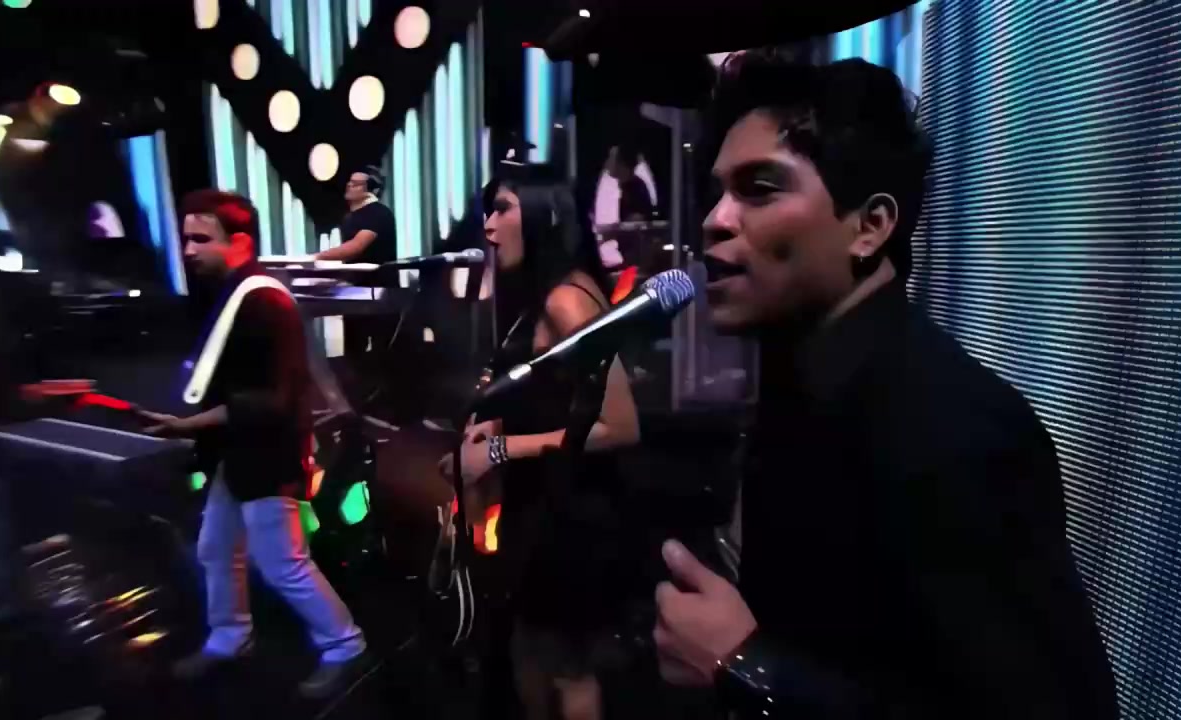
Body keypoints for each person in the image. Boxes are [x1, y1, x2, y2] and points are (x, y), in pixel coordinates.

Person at [652, 55, 1120, 718]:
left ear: (870, 226)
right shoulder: (804, 390)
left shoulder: (951, 429)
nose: (716, 219)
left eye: (759, 189)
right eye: (718, 191)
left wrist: (748, 666)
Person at [141, 190, 366, 697]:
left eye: (202, 239)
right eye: (186, 239)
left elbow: (271, 401)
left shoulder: (264, 301)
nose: (189, 250)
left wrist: (190, 424)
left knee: (282, 562)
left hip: (267, 455)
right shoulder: (239, 294)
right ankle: (230, 636)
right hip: (239, 452)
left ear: (240, 242)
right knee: (216, 549)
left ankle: (344, 645)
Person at [440, 173, 641, 720]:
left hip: (571, 516)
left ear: (543, 215)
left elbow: (619, 425)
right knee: (532, 654)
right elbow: (552, 403)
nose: (488, 226)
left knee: (565, 669)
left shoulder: (566, 302)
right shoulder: (546, 294)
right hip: (547, 506)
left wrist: (499, 451)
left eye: (502, 209)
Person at [316, 166, 397, 264]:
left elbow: (355, 247)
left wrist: (316, 257)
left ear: (371, 190)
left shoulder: (378, 213)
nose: (349, 185)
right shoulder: (349, 216)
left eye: (356, 184)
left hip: (377, 274)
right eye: (350, 182)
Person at [606, 145, 654, 222]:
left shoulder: (638, 187)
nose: (607, 163)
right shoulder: (614, 186)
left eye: (611, 159)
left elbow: (642, 218)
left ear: (622, 164)